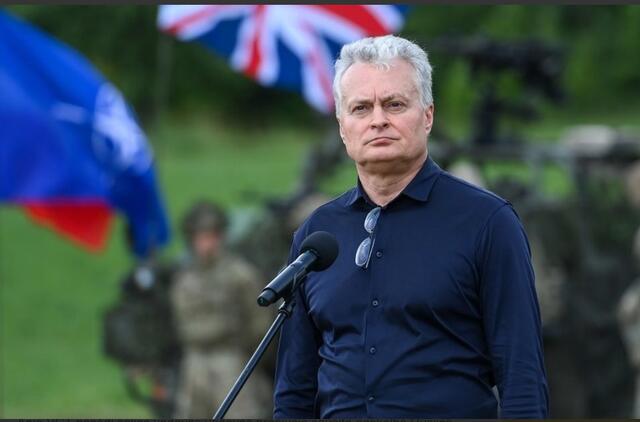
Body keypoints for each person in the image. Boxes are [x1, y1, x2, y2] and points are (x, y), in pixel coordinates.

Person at [273, 35, 549, 419]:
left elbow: (522, 377)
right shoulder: (317, 234)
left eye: (395, 104)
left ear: (428, 116)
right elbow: (294, 393)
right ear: (342, 127)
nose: (378, 120)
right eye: (360, 108)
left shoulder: (488, 223)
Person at [170, 200, 272, 418]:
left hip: (231, 359)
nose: (206, 244)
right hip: (194, 362)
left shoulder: (240, 275)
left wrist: (246, 354)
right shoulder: (184, 278)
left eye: (211, 236)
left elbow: (260, 324)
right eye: (200, 237)